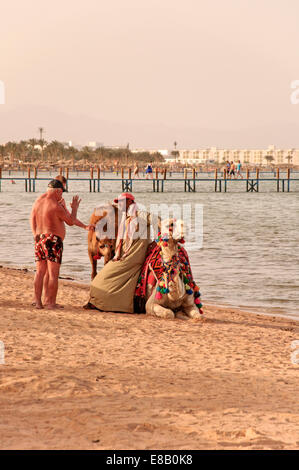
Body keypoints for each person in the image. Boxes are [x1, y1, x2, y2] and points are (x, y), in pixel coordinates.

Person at [84, 192, 159, 313]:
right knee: (103, 278)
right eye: (119, 202)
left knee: (102, 278)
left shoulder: (140, 214)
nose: (119, 205)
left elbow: (157, 220)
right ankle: (101, 302)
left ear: (130, 202)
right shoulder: (126, 217)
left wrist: (157, 240)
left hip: (132, 256)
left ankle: (101, 303)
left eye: (122, 202)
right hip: (125, 254)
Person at [30, 179, 94, 309]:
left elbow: (32, 219)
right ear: (57, 191)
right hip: (53, 240)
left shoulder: (38, 201)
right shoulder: (55, 205)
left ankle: (38, 302)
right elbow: (70, 221)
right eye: (61, 193)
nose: (62, 196)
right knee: (53, 274)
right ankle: (51, 303)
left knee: (40, 272)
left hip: (39, 238)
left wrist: (35, 235)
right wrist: (74, 208)